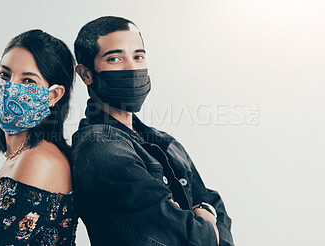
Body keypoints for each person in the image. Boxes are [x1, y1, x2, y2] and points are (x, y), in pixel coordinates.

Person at [70, 16, 234, 245]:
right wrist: (206, 220)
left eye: (138, 56)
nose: (132, 68)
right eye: (115, 59)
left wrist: (204, 214)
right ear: (86, 74)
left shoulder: (162, 141)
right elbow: (186, 238)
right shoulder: (100, 150)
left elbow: (213, 203)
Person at [0, 29, 77, 246]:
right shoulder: (20, 155)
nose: (9, 87)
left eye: (27, 81)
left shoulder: (39, 160)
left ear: (53, 96)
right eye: (4, 75)